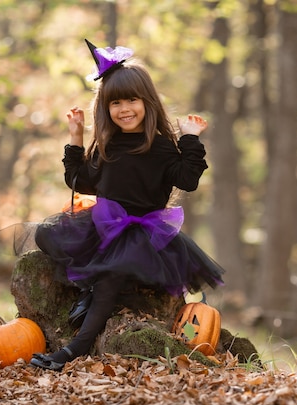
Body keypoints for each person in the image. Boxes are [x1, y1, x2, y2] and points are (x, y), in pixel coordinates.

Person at [30, 39, 224, 371]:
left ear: (146, 102)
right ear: (105, 108)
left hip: (142, 233)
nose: (124, 109)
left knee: (112, 274)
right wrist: (75, 136)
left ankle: (76, 347)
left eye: (131, 99)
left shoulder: (162, 148)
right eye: (115, 102)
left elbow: (188, 179)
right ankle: (86, 284)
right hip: (102, 224)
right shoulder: (108, 145)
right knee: (44, 235)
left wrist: (190, 137)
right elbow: (81, 182)